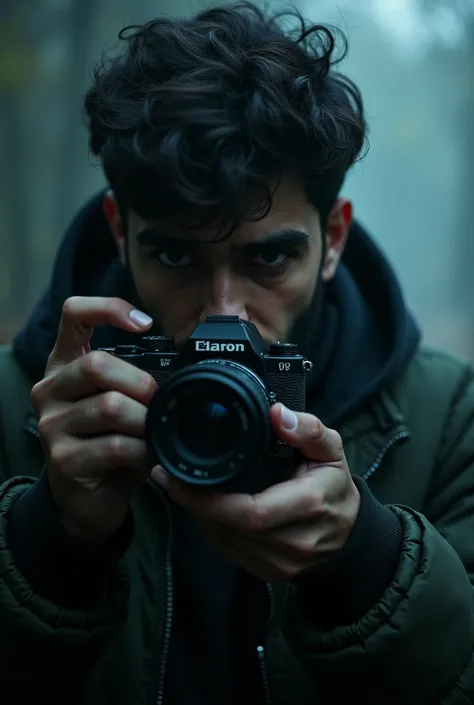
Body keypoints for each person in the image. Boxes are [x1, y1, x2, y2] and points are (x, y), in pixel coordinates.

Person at [1, 2, 473, 703]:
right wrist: (52, 536)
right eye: (174, 254)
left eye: (270, 258)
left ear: (333, 238)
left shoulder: (444, 416)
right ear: (119, 228)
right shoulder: (22, 401)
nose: (224, 310)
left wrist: (362, 559)